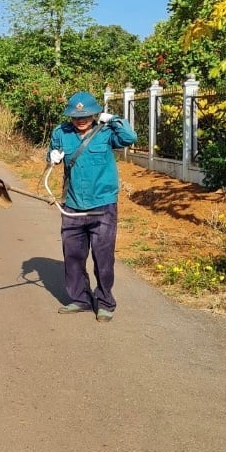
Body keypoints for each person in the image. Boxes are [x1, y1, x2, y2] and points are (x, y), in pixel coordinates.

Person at [48, 91, 137, 323]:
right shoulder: (61, 133)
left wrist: (114, 119)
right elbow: (52, 154)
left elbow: (129, 137)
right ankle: (80, 299)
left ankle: (106, 301)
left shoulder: (106, 132)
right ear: (70, 116)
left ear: (95, 113)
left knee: (103, 257)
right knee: (73, 255)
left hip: (103, 204)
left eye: (87, 115)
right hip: (73, 205)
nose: (81, 119)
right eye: (77, 116)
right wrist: (53, 157)